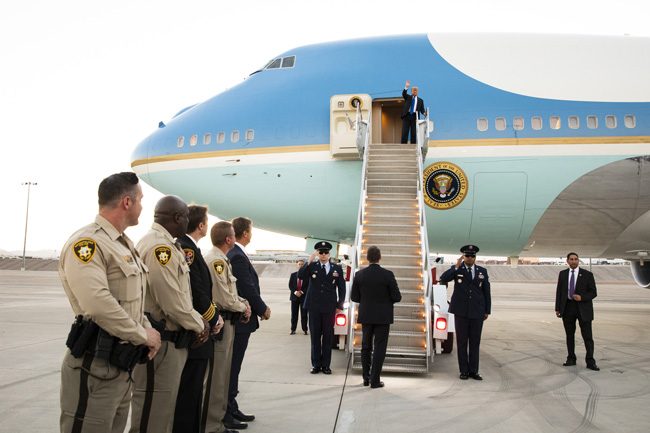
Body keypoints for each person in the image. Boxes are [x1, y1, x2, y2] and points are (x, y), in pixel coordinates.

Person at [59, 172, 161, 433]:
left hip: (120, 367)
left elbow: (133, 300)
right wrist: (142, 335)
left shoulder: (124, 244)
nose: (142, 206)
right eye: (140, 199)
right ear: (127, 202)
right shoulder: (88, 243)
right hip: (95, 368)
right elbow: (98, 304)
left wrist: (148, 330)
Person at [130, 196, 210, 433]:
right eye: (186, 216)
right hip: (162, 344)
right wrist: (199, 323)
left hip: (170, 341)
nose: (189, 221)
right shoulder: (160, 248)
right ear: (177, 217)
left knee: (162, 412)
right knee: (152, 411)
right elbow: (171, 300)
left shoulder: (166, 244)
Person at [173, 205, 224, 433]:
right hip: (197, 330)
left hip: (198, 325)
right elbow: (197, 292)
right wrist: (213, 319)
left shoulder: (190, 247)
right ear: (201, 225)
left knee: (193, 391)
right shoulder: (187, 249)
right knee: (190, 390)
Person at [204, 221, 251, 433]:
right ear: (229, 239)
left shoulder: (221, 259)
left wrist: (242, 302)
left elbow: (230, 293)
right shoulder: (217, 261)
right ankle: (214, 424)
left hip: (228, 321)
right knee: (218, 378)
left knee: (223, 376)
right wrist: (243, 306)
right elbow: (224, 297)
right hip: (221, 323)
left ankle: (219, 422)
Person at [224, 217, 271, 430]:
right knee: (232, 367)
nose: (251, 234)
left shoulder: (236, 254)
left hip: (242, 319)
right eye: (250, 231)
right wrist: (262, 308)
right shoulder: (237, 256)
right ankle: (227, 410)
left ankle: (231, 406)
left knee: (234, 366)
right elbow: (247, 287)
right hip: (241, 321)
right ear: (245, 234)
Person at [350, 246, 401, 388]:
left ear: (367, 258)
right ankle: (375, 380)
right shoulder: (388, 275)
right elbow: (397, 297)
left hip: (366, 315)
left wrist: (367, 301)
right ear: (380, 257)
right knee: (379, 348)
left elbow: (354, 297)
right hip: (383, 317)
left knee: (366, 346)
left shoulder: (359, 275)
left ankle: (366, 377)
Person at [439, 245, 491, 381]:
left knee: (475, 342)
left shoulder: (482, 271)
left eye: (472, 256)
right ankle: (464, 371)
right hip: (461, 312)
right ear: (463, 256)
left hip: (477, 312)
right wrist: (456, 266)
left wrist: (487, 310)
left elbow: (486, 292)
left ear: (475, 257)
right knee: (462, 343)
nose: (470, 258)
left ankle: (474, 371)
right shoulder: (457, 270)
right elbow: (443, 278)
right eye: (467, 256)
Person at [298, 241, 346, 375]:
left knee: (327, 337)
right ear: (317, 253)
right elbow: (300, 276)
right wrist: (309, 261)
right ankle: (315, 365)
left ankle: (326, 365)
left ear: (329, 254)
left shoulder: (336, 268)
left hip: (329, 308)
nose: (323, 255)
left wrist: (339, 305)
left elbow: (341, 288)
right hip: (314, 307)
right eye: (321, 252)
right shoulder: (312, 266)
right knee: (315, 337)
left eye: (325, 252)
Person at [555, 252, 599, 371]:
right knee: (569, 335)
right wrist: (557, 308)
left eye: (576, 259)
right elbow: (559, 292)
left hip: (583, 308)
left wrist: (582, 297)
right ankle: (571, 358)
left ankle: (590, 361)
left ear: (578, 261)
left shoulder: (587, 275)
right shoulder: (563, 274)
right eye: (571, 259)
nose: (574, 261)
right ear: (567, 261)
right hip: (567, 308)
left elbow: (593, 292)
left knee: (588, 337)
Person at [400, 80, 426, 144]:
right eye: (413, 90)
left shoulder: (420, 100)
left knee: (414, 132)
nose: (415, 91)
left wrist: (425, 113)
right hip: (407, 116)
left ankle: (413, 145)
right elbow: (403, 94)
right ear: (411, 91)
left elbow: (422, 110)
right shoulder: (408, 97)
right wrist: (406, 87)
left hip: (415, 117)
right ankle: (403, 145)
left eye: (416, 90)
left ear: (417, 92)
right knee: (405, 132)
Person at [289, 259, 309, 335]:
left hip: (304, 298)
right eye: (299, 264)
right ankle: (293, 329)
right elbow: (290, 285)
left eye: (302, 264)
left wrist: (301, 292)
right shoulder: (293, 275)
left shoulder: (307, 276)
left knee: (304, 314)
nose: (300, 265)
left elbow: (308, 286)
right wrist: (295, 292)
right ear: (296, 265)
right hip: (294, 298)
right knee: (294, 314)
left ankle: (305, 329)